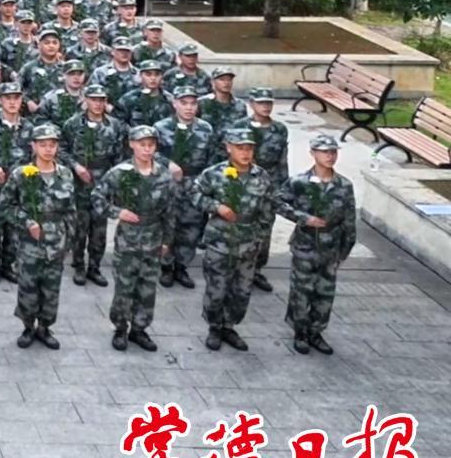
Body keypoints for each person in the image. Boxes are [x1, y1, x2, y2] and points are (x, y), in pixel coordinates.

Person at [94, 126, 176, 353]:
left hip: (153, 238)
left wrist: (167, 241)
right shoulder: (120, 173)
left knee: (147, 288)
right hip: (128, 240)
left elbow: (170, 211)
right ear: (132, 144)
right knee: (124, 286)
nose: (147, 149)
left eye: (151, 145)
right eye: (142, 144)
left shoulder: (163, 175)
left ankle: (139, 328)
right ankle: (120, 327)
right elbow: (97, 197)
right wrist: (117, 212)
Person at [195, 127, 277, 352]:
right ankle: (214, 327)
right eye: (240, 148)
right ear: (229, 148)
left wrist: (260, 236)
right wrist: (216, 206)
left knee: (241, 291)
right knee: (217, 289)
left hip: (248, 243)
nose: (245, 153)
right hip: (220, 242)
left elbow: (268, 208)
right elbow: (195, 194)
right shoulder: (214, 173)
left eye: (249, 148)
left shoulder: (261, 176)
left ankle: (229, 326)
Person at [277, 133, 357, 355]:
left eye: (333, 152)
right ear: (313, 153)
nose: (330, 156)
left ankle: (316, 331)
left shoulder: (344, 185)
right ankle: (300, 332)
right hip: (305, 245)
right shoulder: (299, 182)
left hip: (331, 248)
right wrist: (303, 218)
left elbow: (349, 219)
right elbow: (278, 202)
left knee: (325, 293)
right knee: (301, 291)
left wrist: (345, 249)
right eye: (324, 152)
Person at [3, 124, 75, 349]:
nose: (48, 149)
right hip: (30, 243)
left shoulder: (65, 174)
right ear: (33, 146)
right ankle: (27, 326)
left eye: (52, 145)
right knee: (28, 286)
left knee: (51, 289)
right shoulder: (21, 174)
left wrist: (68, 241)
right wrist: (26, 222)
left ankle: (44, 327)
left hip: (56, 241)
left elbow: (71, 210)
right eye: (43, 145)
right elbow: (5, 205)